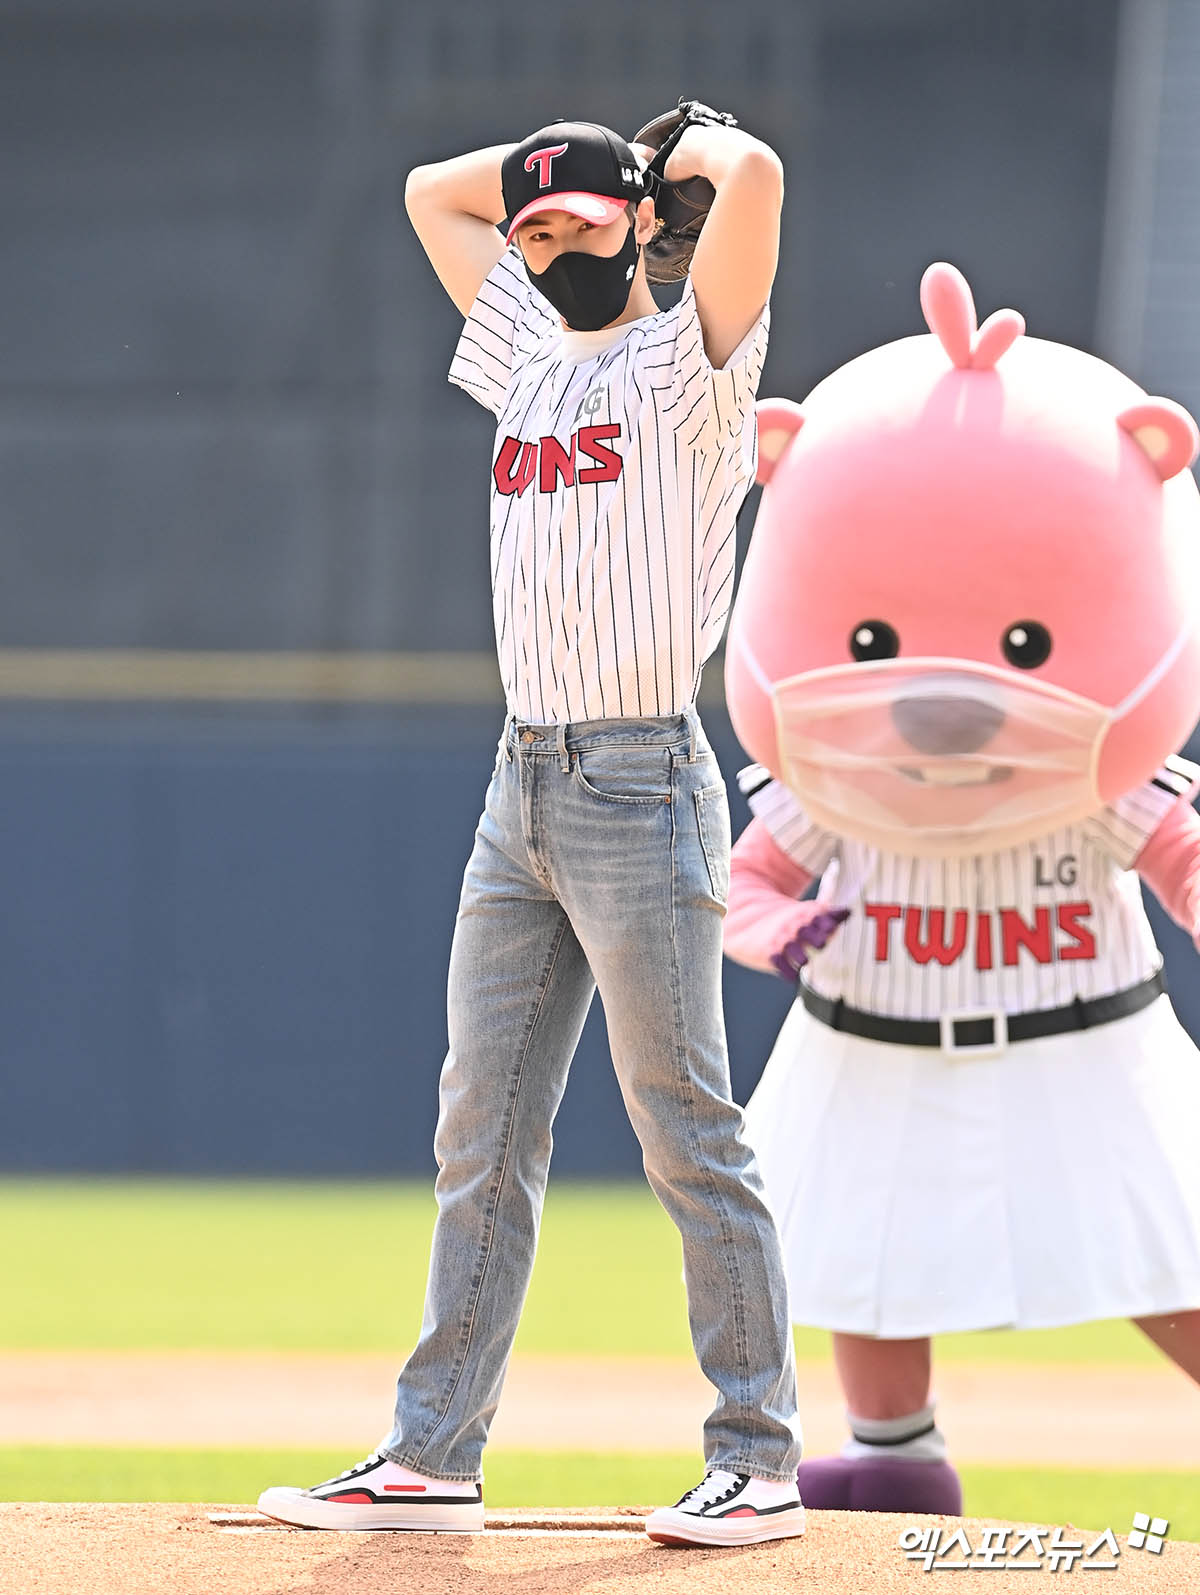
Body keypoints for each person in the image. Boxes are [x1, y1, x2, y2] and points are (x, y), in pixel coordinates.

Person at [257, 109, 806, 1548]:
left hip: (641, 773)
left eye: (577, 225)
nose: (549, 247)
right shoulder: (520, 352)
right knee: (480, 1131)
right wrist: (543, 175)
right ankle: (432, 1456)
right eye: (536, 234)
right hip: (524, 783)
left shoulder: (686, 363)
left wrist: (682, 150)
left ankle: (758, 1455)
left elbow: (751, 181)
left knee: (685, 1128)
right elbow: (424, 190)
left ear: (638, 224)